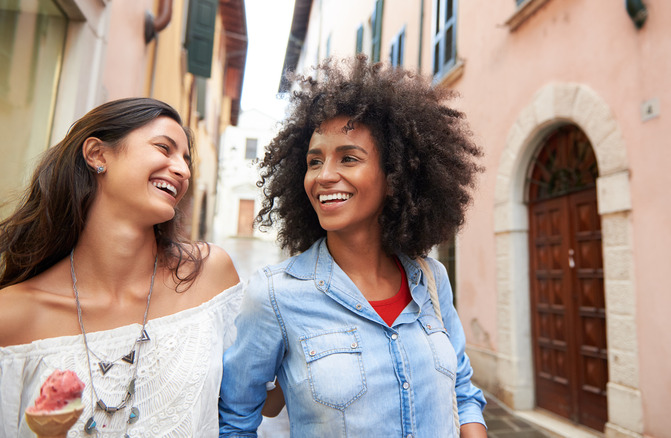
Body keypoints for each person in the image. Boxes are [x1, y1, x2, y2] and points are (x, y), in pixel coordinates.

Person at [219, 55, 488, 437]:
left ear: (394, 176)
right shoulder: (275, 294)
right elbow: (234, 420)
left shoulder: (431, 279)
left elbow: (462, 391)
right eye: (314, 162)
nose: (325, 176)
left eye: (348, 158)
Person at [0, 98, 247, 437]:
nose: (183, 170)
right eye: (164, 148)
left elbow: (259, 400)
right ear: (98, 155)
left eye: (187, 160)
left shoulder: (209, 277)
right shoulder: (12, 316)